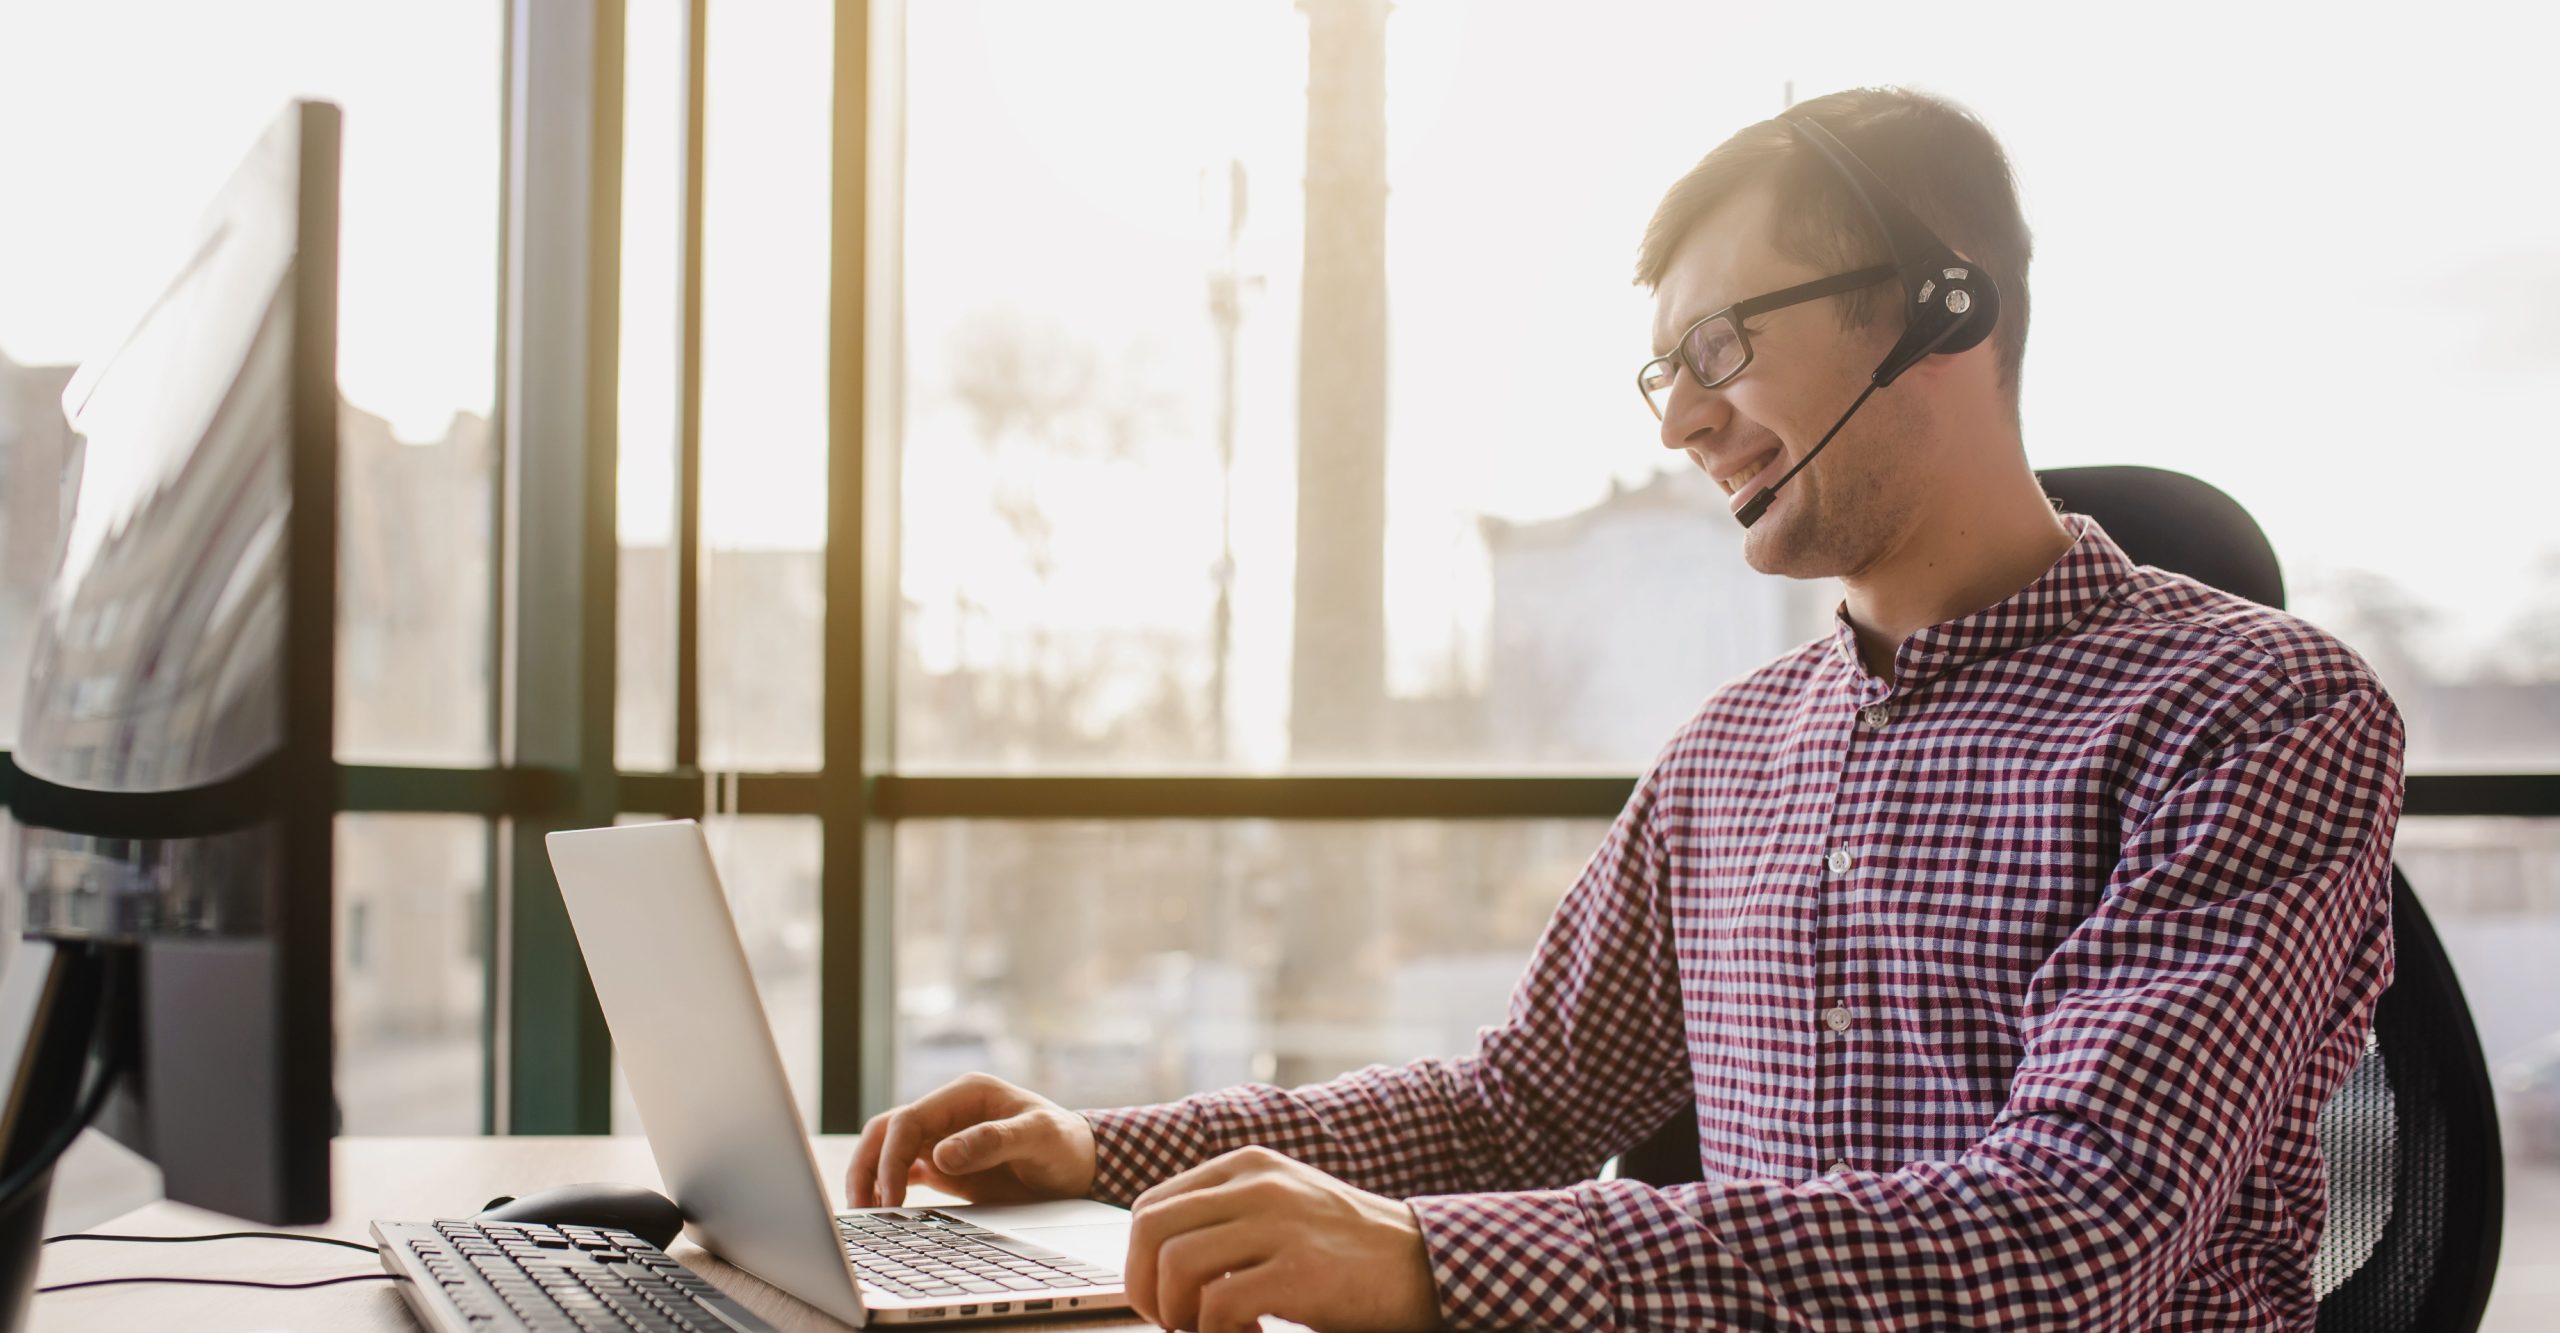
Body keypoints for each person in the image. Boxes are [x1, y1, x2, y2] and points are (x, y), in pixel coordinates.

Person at [849, 86, 2401, 1332]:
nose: (1678, 420)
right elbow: (1515, 1105)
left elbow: (2069, 1234)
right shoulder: (1730, 753)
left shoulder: (2260, 714)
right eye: (1660, 369)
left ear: (1942, 310)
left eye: (1720, 345)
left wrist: (1428, 1265)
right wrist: (1105, 1152)